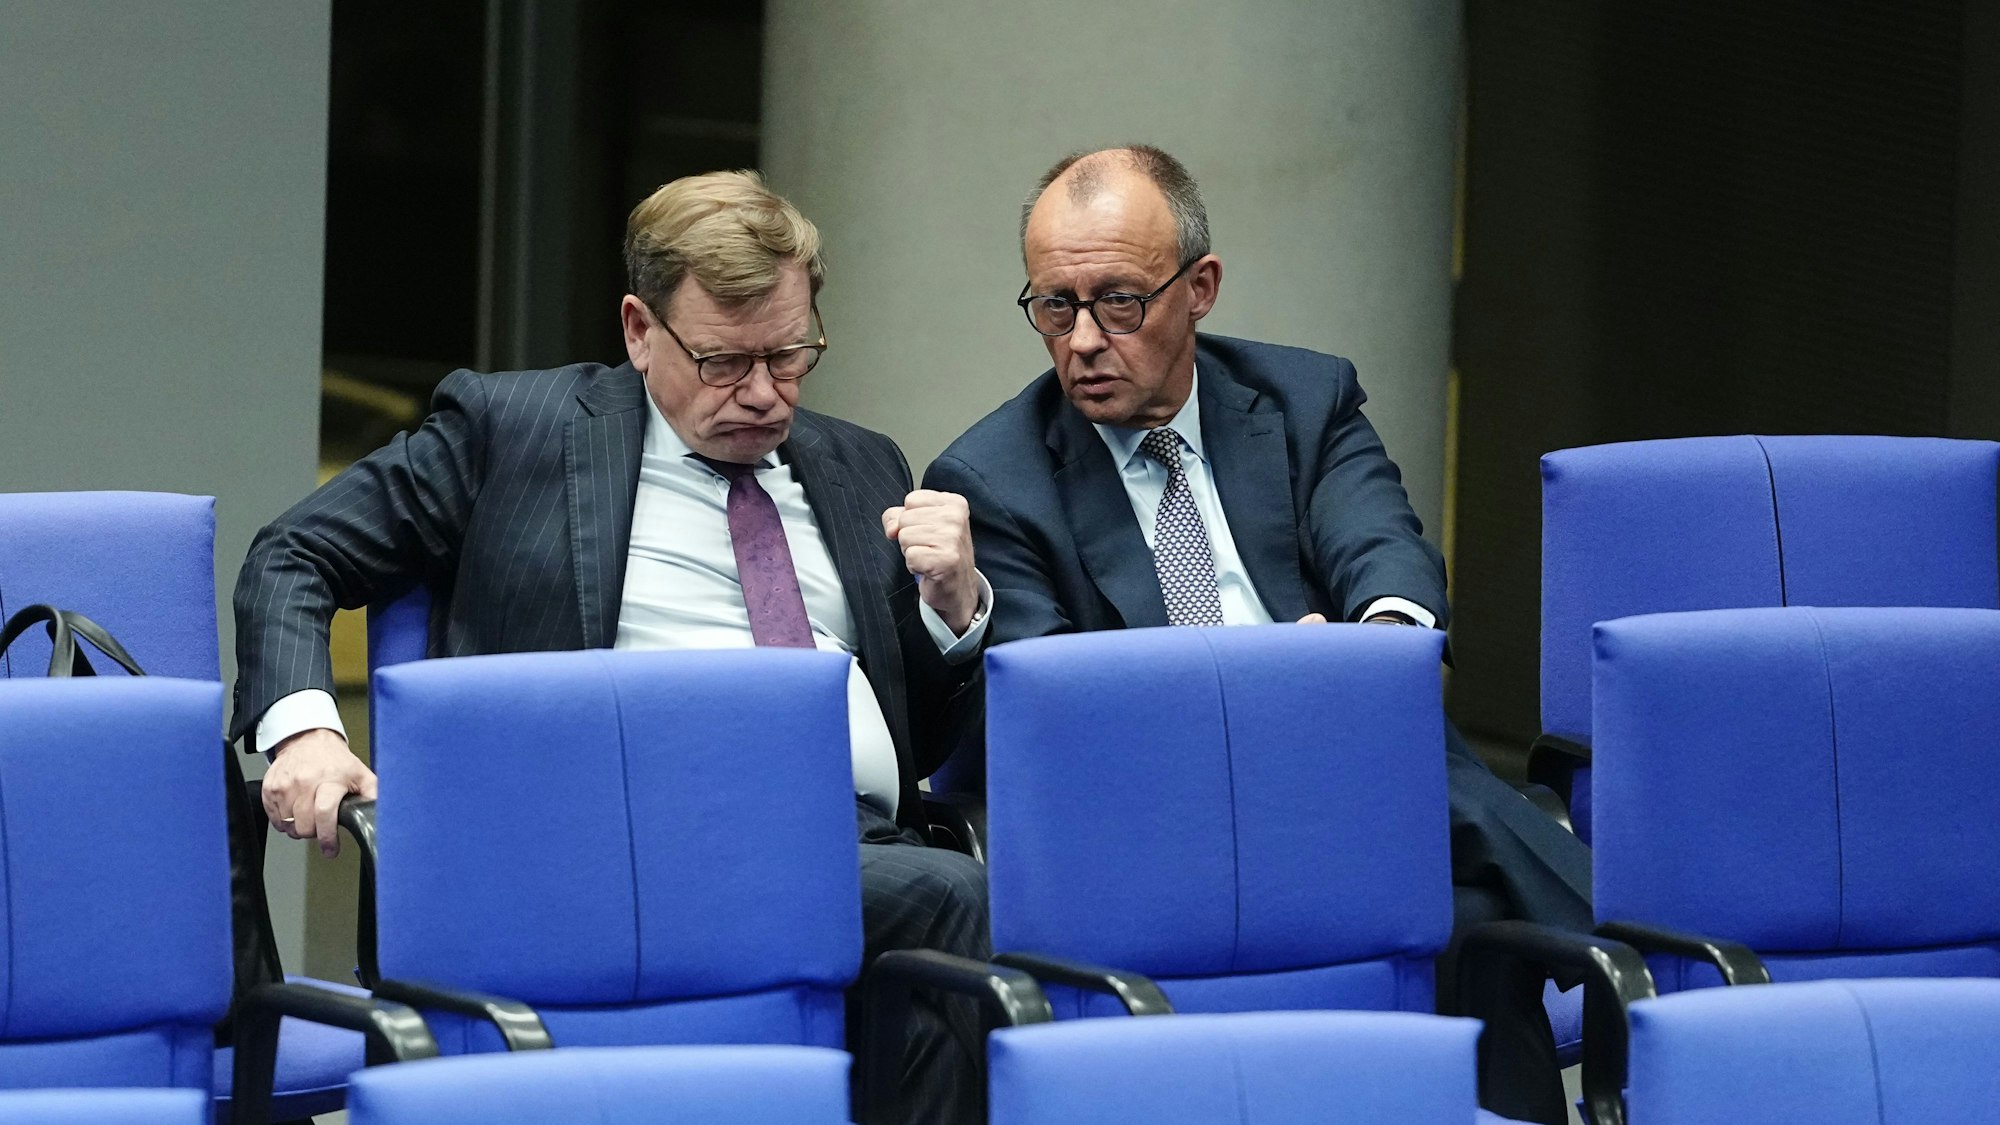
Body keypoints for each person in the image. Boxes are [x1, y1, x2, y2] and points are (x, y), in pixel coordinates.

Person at [233, 171, 990, 1124]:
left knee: (939, 951)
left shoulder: (860, 462)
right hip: (594, 837)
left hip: (849, 844)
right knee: (953, 900)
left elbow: (918, 734)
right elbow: (294, 553)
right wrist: (305, 732)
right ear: (640, 329)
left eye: (791, 355)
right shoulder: (513, 431)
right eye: (723, 362)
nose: (763, 393)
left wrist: (953, 608)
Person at [923, 145, 1592, 1125]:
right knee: (1404, 773)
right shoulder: (993, 478)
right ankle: (1636, 945)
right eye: (1053, 305)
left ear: (1198, 289)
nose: (1081, 341)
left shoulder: (1302, 402)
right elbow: (1065, 715)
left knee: (1471, 919)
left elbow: (1384, 550)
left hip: (1350, 796)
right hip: (1163, 812)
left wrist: (1367, 649)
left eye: (1117, 302)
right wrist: (1282, 697)